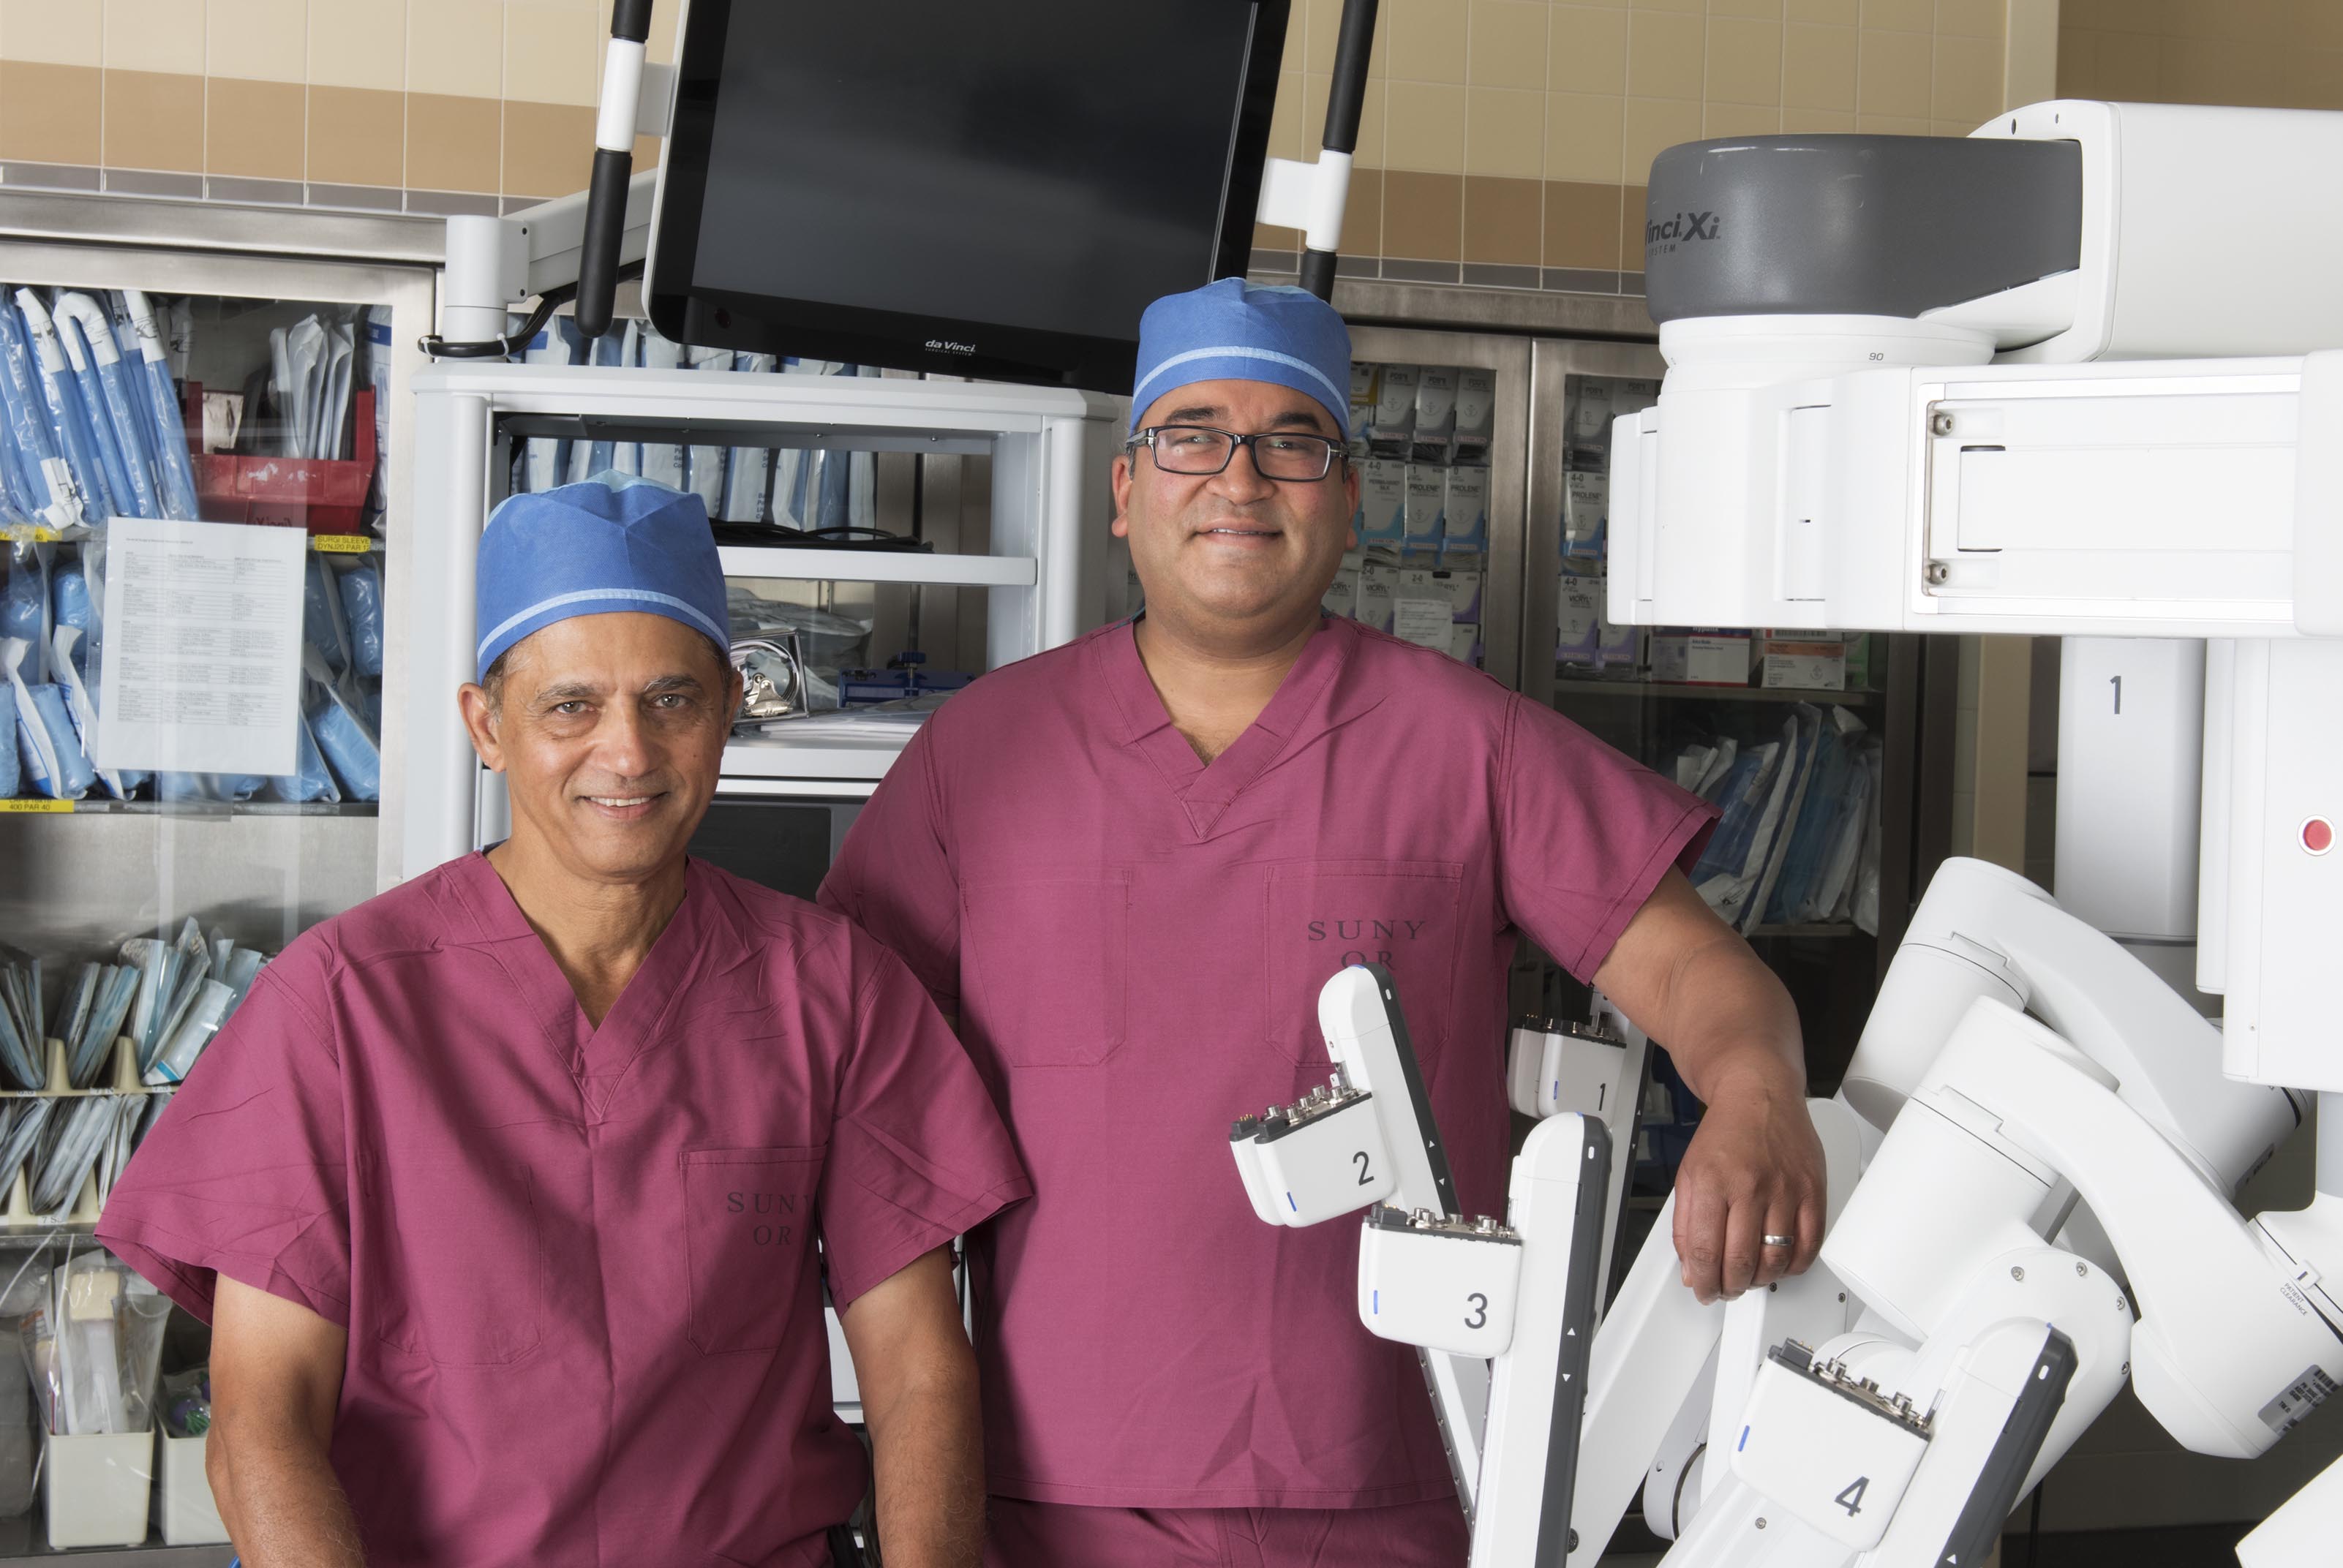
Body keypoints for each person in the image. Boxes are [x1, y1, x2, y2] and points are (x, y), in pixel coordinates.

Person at [819, 279, 1829, 1565]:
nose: (1239, 481)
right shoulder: (983, 757)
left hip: (1394, 1472)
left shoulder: (1472, 747)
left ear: (1347, 499)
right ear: (1125, 489)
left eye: (1293, 443)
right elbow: (848, 1079)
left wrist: (1754, 1094)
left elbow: (1697, 971)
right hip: (1049, 1483)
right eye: (1191, 436)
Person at [99, 477, 1028, 1568]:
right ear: (486, 726)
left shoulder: (830, 989)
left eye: (672, 700)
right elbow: (262, 1422)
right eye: (570, 706)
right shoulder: (341, 1007)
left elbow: (918, 1371)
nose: (628, 752)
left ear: (730, 706)